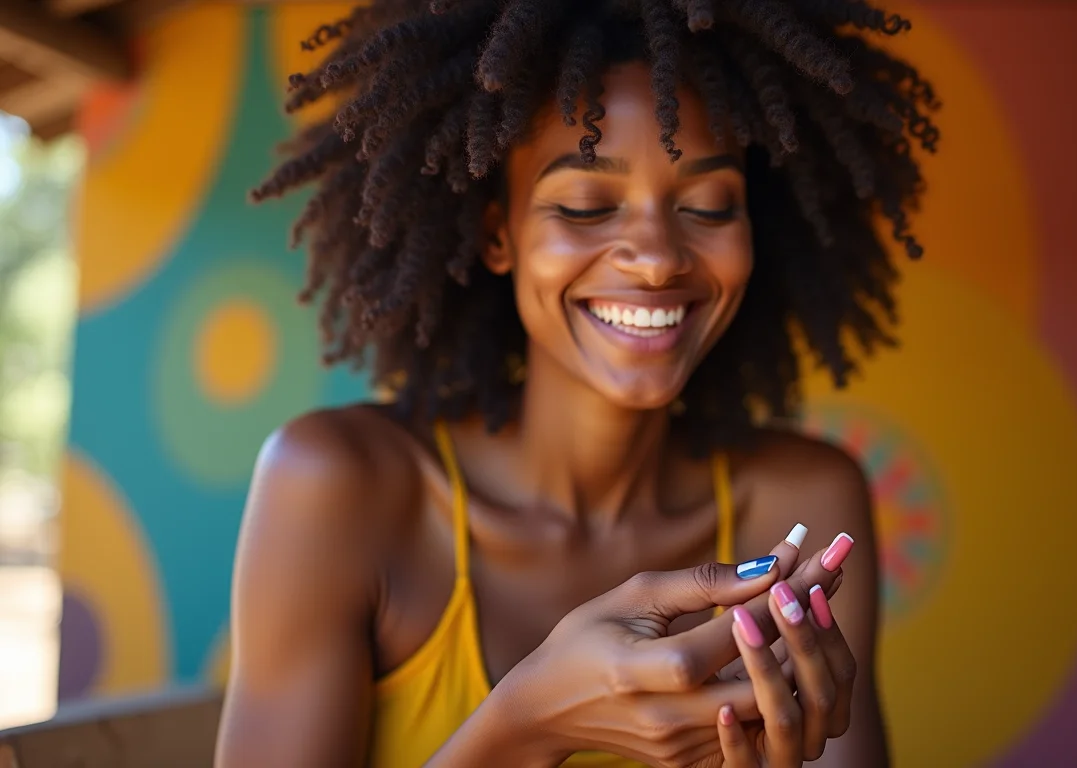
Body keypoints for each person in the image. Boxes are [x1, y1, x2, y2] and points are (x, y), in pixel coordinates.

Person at [215, 0, 937, 765]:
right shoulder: (339, 488)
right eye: (588, 204)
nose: (657, 257)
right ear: (499, 232)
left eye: (708, 204)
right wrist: (528, 726)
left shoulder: (803, 503)